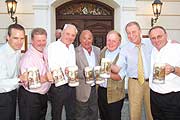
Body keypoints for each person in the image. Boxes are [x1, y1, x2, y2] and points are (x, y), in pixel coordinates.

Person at [120, 21, 153, 120]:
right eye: (128, 33)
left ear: (140, 31)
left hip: (151, 82)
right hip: (134, 82)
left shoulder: (150, 43)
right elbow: (119, 66)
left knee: (152, 112)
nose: (131, 35)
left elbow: (163, 42)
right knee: (134, 113)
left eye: (133, 32)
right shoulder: (124, 49)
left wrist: (172, 43)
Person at [18, 28, 51, 120]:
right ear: (32, 41)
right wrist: (45, 78)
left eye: (43, 40)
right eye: (38, 40)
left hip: (42, 96)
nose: (41, 43)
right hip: (30, 97)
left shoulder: (43, 52)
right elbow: (28, 82)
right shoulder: (28, 58)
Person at [148, 26, 180, 120]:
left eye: (159, 36)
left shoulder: (177, 49)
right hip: (154, 95)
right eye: (153, 38)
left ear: (166, 35)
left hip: (172, 97)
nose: (156, 40)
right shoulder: (153, 49)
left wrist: (173, 69)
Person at [48, 24, 78, 120]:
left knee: (72, 113)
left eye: (73, 35)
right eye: (67, 34)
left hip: (71, 85)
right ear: (62, 33)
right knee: (56, 114)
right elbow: (51, 66)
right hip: (58, 86)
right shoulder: (53, 47)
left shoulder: (72, 47)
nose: (70, 37)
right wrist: (64, 71)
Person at [98, 30, 126, 120]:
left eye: (114, 41)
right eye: (109, 40)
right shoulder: (103, 52)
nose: (111, 43)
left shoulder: (123, 54)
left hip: (115, 93)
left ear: (119, 42)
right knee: (103, 117)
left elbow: (119, 77)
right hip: (101, 91)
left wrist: (107, 74)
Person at [0, 24, 25, 120]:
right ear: (7, 37)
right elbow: (1, 84)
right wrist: (19, 79)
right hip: (2, 96)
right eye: (16, 38)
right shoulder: (1, 55)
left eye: (22, 38)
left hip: (12, 93)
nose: (19, 42)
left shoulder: (17, 50)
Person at [75, 30, 100, 120]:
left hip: (95, 89)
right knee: (81, 115)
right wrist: (86, 73)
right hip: (82, 90)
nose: (87, 41)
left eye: (89, 38)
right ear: (80, 39)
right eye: (84, 38)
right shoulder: (75, 52)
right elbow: (73, 71)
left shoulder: (97, 50)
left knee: (94, 113)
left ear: (92, 39)